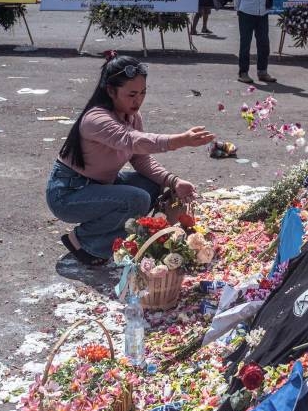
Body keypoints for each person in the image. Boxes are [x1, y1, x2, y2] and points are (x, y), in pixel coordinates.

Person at [47, 55, 215, 266]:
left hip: (99, 186)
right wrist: (179, 140)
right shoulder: (96, 119)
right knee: (137, 199)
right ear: (110, 91)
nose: (138, 100)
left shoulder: (132, 116)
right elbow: (134, 141)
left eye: (143, 93)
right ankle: (84, 242)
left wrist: (174, 181)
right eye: (132, 94)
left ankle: (115, 235)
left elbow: (141, 159)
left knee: (153, 185)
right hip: (68, 194)